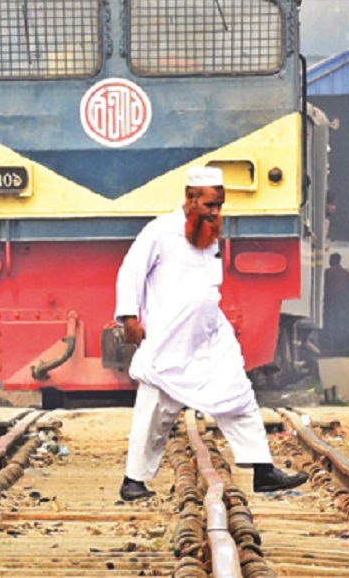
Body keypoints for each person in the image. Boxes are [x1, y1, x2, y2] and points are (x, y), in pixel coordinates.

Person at [115, 166, 308, 502]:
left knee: (238, 395)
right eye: (210, 205)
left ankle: (263, 470)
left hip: (210, 337)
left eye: (220, 205)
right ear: (190, 198)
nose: (216, 212)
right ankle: (134, 480)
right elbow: (129, 273)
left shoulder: (208, 236)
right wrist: (129, 319)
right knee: (153, 413)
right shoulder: (159, 232)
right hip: (169, 340)